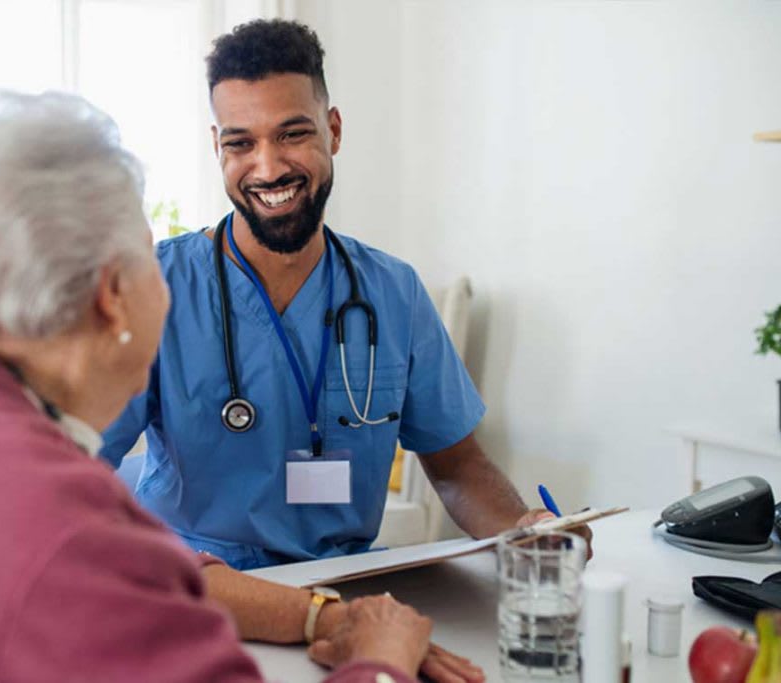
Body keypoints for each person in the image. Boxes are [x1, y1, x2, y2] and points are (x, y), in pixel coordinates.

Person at [0, 91, 441, 683]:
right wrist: (379, 659)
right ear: (114, 293)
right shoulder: (64, 531)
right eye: (151, 256)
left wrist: (318, 610)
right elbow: (84, 562)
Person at [102, 19, 591, 568]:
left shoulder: (393, 293)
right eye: (241, 143)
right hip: (197, 590)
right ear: (218, 147)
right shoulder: (154, 287)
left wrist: (522, 528)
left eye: (293, 134)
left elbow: (456, 468)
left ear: (333, 130)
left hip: (344, 583)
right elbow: (79, 464)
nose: (268, 167)